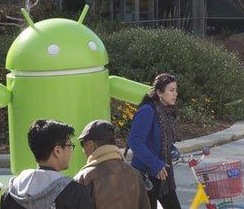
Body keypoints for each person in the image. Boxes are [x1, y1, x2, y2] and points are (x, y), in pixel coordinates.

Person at [0, 119, 94, 209]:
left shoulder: (10, 192)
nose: (71, 151)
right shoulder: (75, 193)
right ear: (57, 151)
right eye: (70, 146)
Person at [127, 73, 181, 209]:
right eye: (171, 90)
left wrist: (171, 149)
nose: (175, 94)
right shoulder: (147, 111)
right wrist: (155, 164)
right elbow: (135, 141)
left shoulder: (165, 112)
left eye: (176, 90)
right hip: (147, 176)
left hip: (163, 175)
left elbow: (160, 140)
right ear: (159, 92)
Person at [74, 119, 151, 209]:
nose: (83, 151)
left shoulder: (84, 177)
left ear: (91, 145)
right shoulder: (135, 174)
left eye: (82, 144)